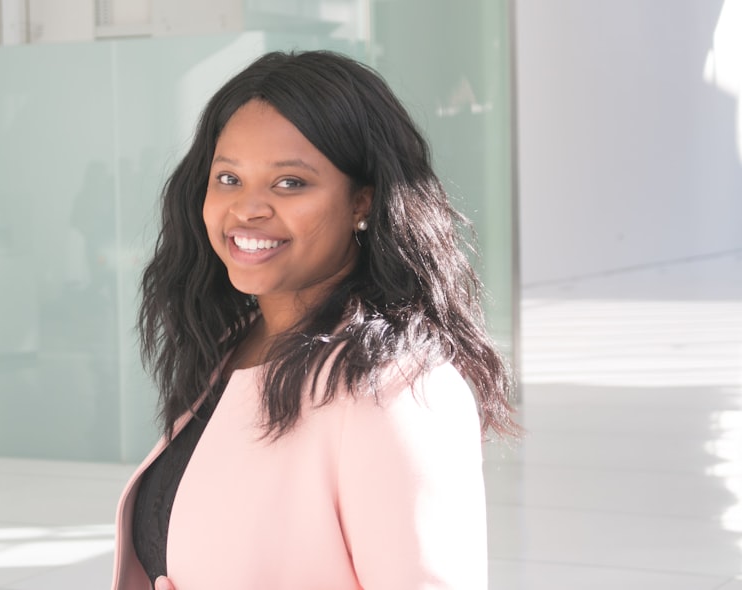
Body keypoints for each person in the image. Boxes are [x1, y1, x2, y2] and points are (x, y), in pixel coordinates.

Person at [111, 50, 517, 590]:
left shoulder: (401, 391)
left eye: (290, 183)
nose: (247, 209)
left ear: (362, 201)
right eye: (228, 178)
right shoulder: (235, 344)